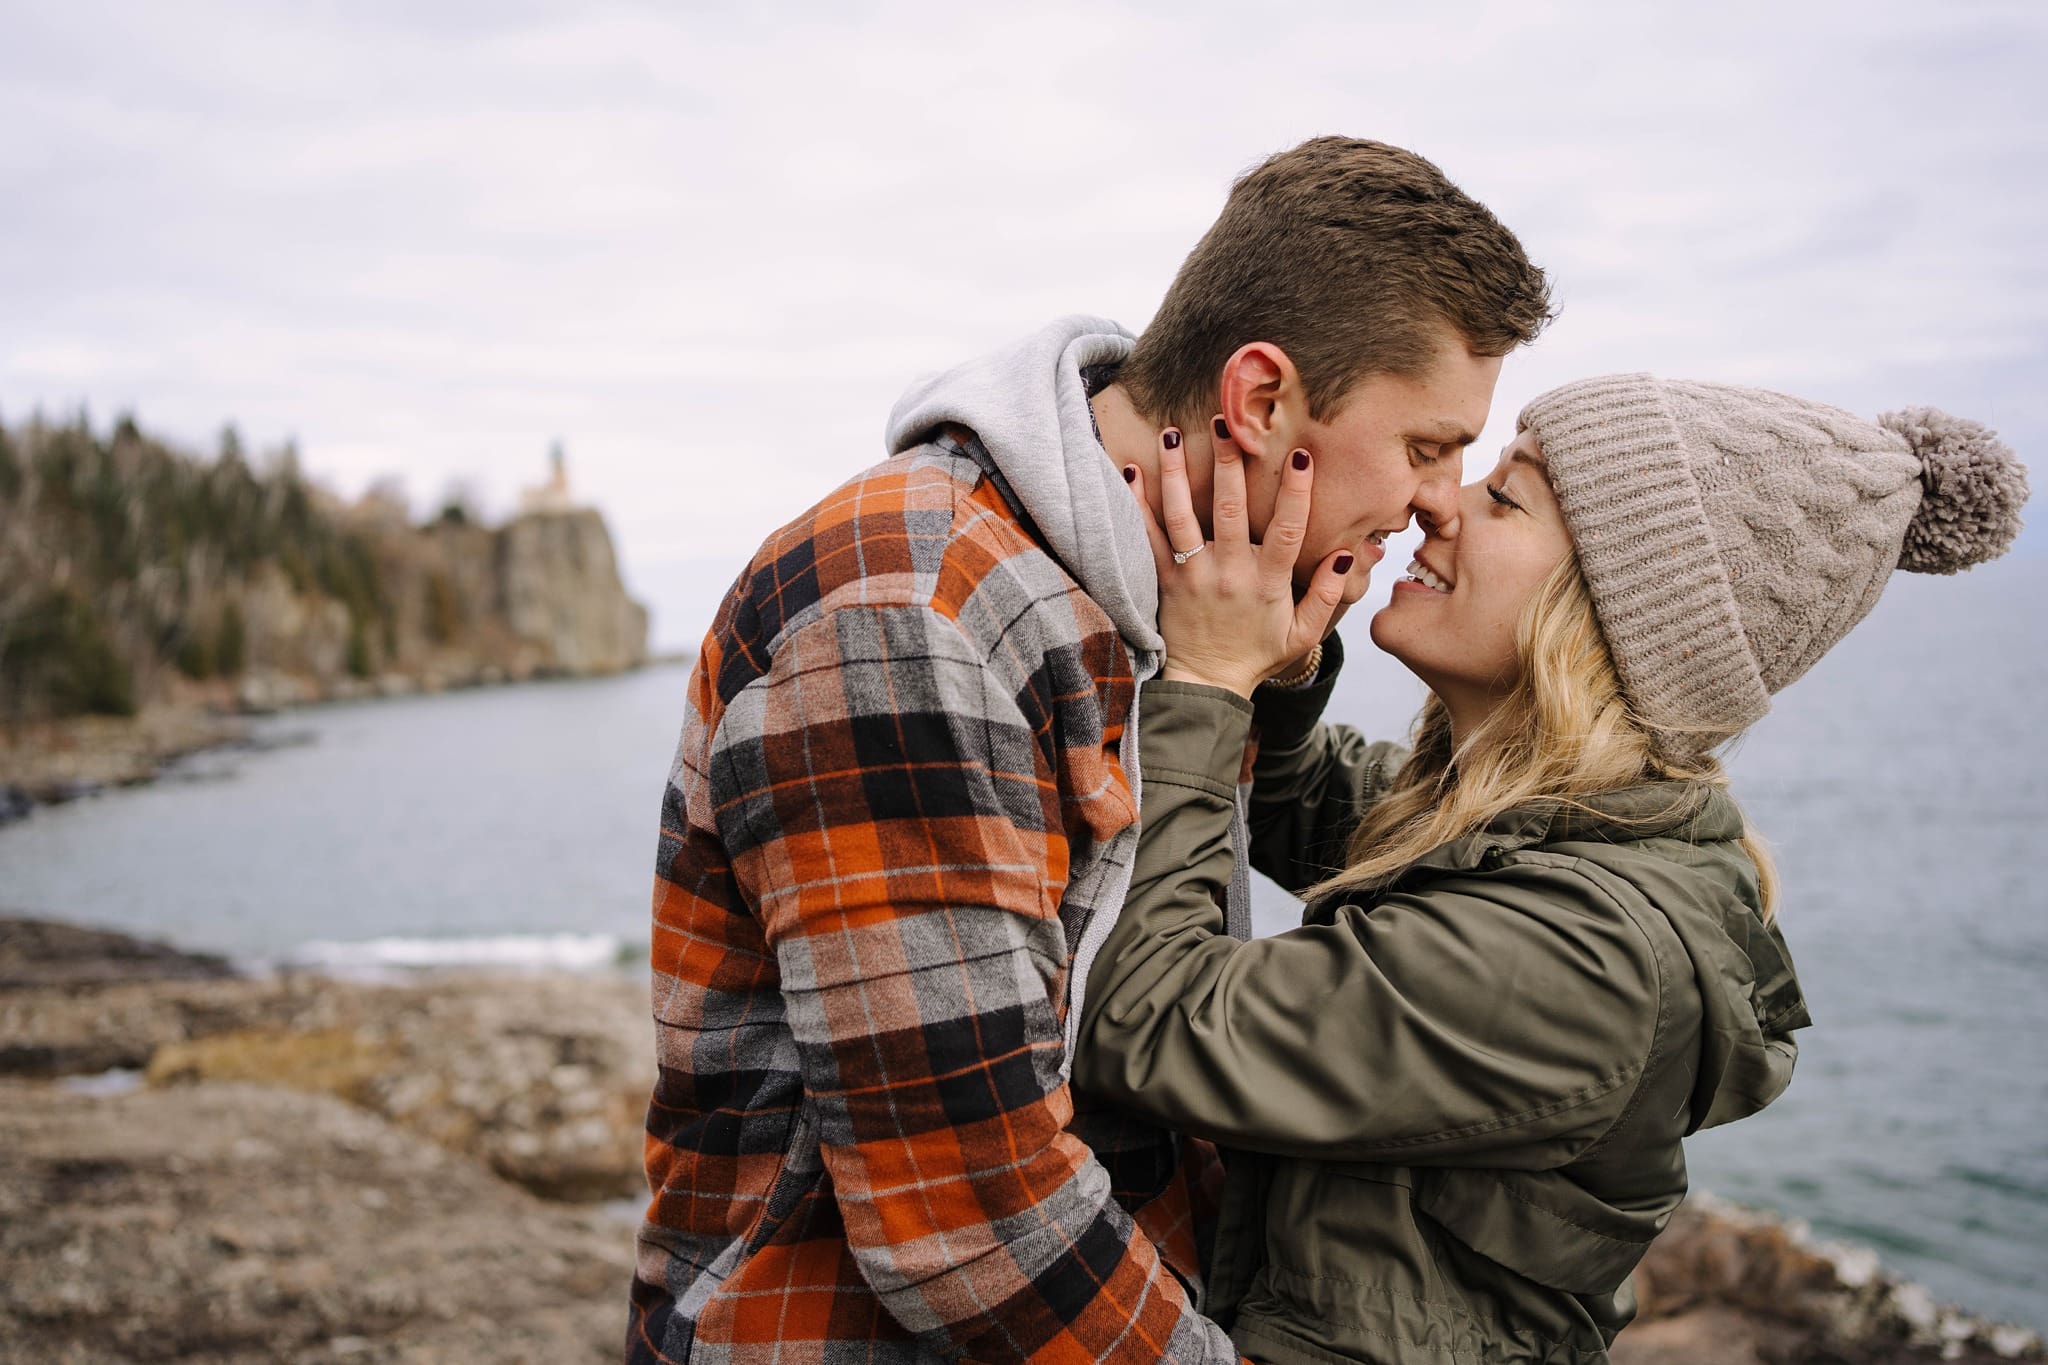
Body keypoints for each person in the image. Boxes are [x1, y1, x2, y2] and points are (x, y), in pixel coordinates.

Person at [625, 137, 1554, 1362]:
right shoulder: (909, 611)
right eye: (1428, 447)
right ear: (1260, 403)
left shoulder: (1176, 602)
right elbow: (964, 1214)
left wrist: (1259, 681)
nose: (1439, 499)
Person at [1076, 378, 2028, 1364]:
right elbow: (1280, 799)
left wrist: (1204, 674)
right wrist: (1280, 640)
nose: (1436, 502)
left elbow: (1146, 1016)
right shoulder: (1526, 824)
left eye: (1502, 497)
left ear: (1611, 618)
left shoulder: (1586, 953)